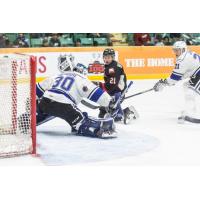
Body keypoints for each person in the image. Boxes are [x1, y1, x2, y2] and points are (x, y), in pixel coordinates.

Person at [35, 54, 116, 138]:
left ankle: (26, 121)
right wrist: (109, 102)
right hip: (64, 105)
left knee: (44, 110)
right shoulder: (80, 79)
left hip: (45, 102)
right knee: (83, 122)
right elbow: (95, 93)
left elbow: (36, 90)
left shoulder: (57, 75)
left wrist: (34, 104)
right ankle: (99, 127)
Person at [153, 41, 200, 123]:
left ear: (183, 49)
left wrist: (163, 83)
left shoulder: (182, 59)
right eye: (174, 50)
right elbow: (186, 73)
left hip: (198, 75)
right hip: (196, 74)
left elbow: (174, 78)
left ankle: (189, 113)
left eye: (177, 50)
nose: (175, 52)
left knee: (190, 92)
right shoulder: (187, 54)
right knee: (186, 86)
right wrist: (167, 82)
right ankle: (191, 109)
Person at [97, 48, 138, 124]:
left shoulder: (113, 67)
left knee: (107, 98)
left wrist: (100, 85)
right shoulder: (110, 65)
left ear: (112, 57)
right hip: (116, 89)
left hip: (118, 92)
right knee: (105, 98)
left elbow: (112, 84)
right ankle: (104, 111)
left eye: (108, 57)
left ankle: (120, 114)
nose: (106, 59)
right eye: (105, 57)